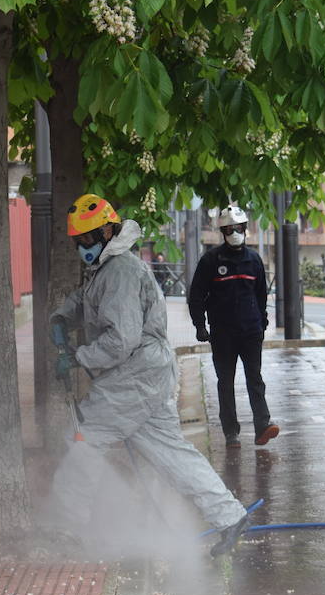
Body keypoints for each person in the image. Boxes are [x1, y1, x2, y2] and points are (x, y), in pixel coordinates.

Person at [50, 194, 255, 555]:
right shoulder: (108, 267)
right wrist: (64, 315)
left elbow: (120, 341)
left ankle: (66, 532)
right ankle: (229, 515)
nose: (81, 246)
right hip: (146, 376)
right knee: (171, 452)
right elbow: (89, 297)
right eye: (77, 241)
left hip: (133, 377)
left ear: (107, 231)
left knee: (84, 439)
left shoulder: (120, 271)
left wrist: (79, 357)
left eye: (86, 239)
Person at [187, 205, 279, 449]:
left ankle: (263, 425)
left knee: (255, 379)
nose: (234, 232)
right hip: (223, 334)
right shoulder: (211, 261)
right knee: (225, 382)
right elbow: (196, 295)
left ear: (245, 229)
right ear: (222, 232)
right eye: (228, 229)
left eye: (237, 228)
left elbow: (260, 295)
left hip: (250, 332)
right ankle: (231, 432)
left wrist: (262, 322)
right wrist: (200, 325)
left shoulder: (254, 260)